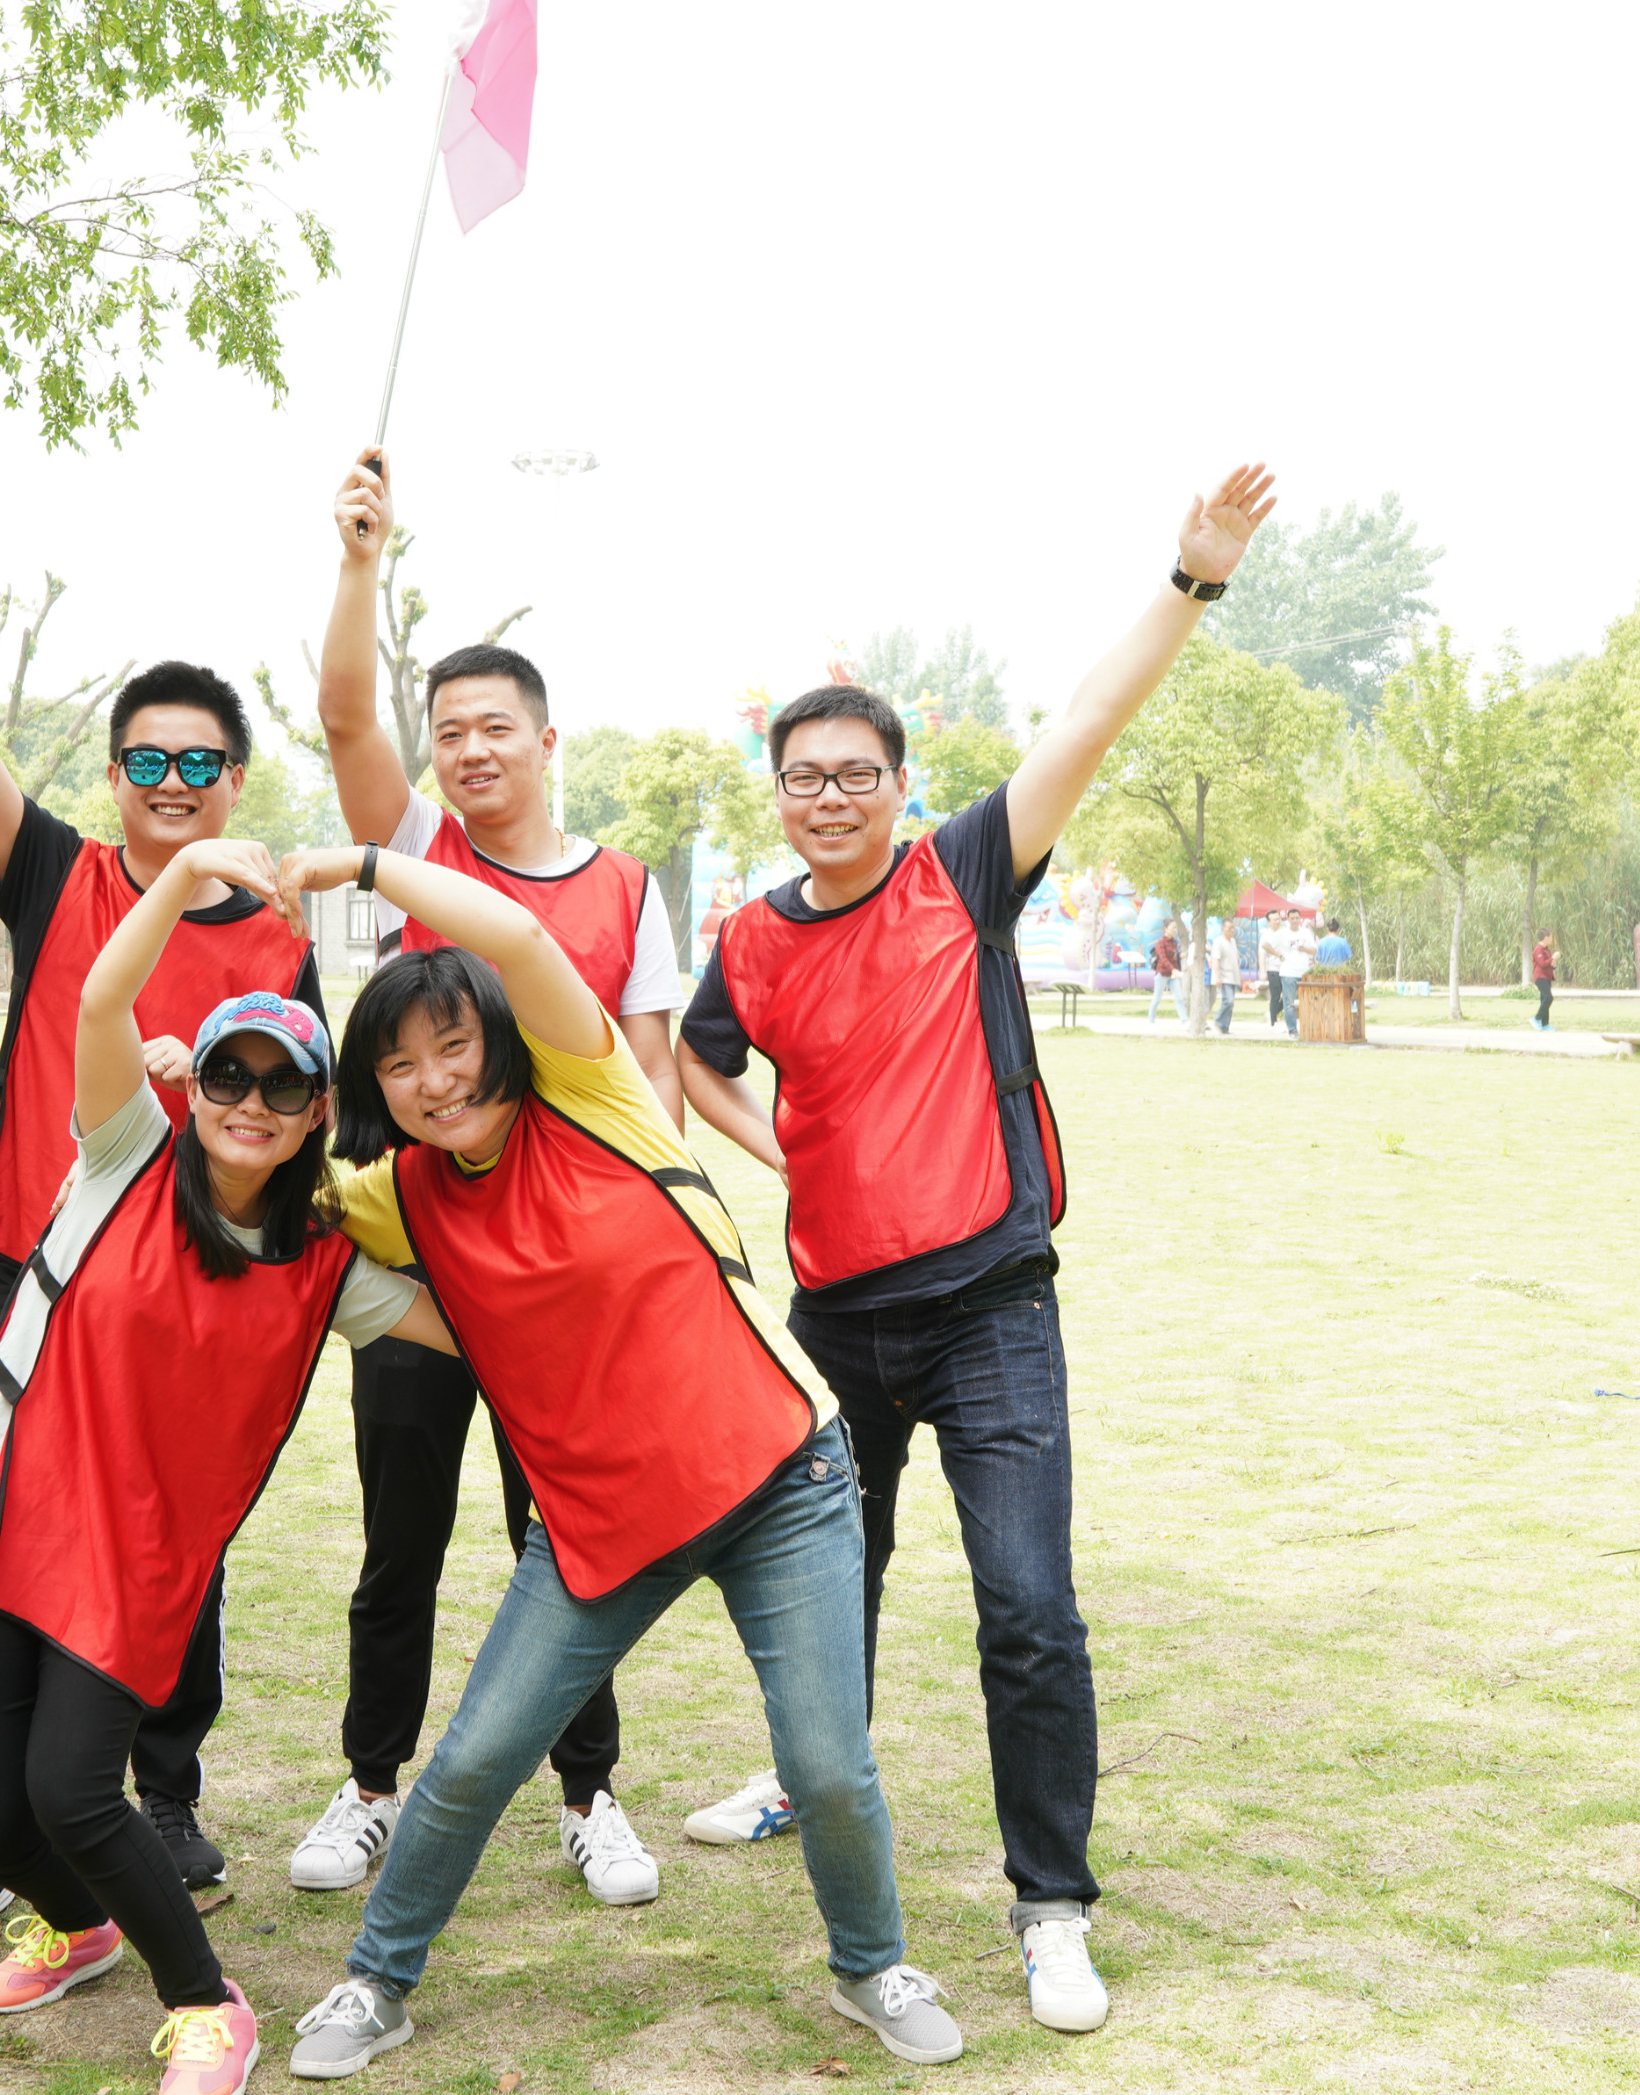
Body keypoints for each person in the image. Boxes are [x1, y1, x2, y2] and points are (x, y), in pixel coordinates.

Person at [671, 468, 1275, 2041]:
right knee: (826, 1590)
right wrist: (779, 1148)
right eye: (802, 776)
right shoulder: (749, 936)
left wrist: (1188, 581)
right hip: (836, 1320)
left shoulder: (959, 873)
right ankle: (805, 1778)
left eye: (854, 773)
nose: (828, 796)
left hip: (989, 1307)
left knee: (1026, 1608)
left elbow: (1085, 719)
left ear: (896, 782)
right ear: (774, 790)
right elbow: (694, 1061)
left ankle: (1048, 1903)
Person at [269, 838, 958, 2077]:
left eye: (452, 1045)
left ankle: (871, 1966)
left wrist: (363, 862)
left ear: (501, 1038)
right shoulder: (397, 1192)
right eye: (398, 1066)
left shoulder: (593, 1095)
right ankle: (376, 1982)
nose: (432, 1081)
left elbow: (520, 939)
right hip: (596, 1527)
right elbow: (254, 1185)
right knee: (475, 1757)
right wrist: (192, 1075)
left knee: (825, 1767)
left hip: (781, 1479)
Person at [0, 535, 321, 1946]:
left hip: (186, 1299)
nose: (170, 782)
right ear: (113, 775)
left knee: (174, 1551)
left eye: (197, 762)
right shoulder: (53, 872)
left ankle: (164, 1791)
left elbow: (306, 1119)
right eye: (145, 760)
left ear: (234, 779)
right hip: (34, 1280)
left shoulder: (279, 937)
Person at [0, 834, 458, 2095]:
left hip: (137, 1544)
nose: (249, 1101)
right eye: (229, 1072)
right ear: (196, 1080)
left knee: (71, 1789)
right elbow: (100, 997)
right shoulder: (123, 1153)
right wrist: (181, 877)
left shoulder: (327, 1263)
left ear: (318, 1111)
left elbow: (478, 1323)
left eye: (283, 1085)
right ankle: (80, 1927)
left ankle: (208, 2003)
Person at [294, 451, 684, 1909]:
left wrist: (648, 1268)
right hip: (419, 1260)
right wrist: (358, 563)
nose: (467, 751)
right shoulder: (417, 849)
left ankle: (589, 1792)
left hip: (565, 1283)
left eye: (491, 728)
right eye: (447, 731)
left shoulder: (624, 889)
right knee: (396, 1540)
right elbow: (344, 713)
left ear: (544, 739)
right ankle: (370, 1784)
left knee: (567, 1534)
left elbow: (652, 1093)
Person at [1279, 911, 1317, 1035]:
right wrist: (1278, 955)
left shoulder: (1305, 933)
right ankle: (1292, 1029)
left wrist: (1304, 949)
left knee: (1307, 1002)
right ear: (1288, 919)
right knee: (1289, 1003)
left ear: (1300, 919)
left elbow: (1314, 950)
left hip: (1304, 972)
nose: (1295, 920)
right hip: (1288, 972)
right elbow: (1266, 944)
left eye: (1297, 918)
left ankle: (1308, 1028)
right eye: (1292, 918)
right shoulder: (1282, 933)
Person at [1143, 919, 1183, 1026]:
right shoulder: (1161, 942)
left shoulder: (1174, 942)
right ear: (1166, 929)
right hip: (1162, 973)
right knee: (1157, 998)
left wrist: (1179, 963)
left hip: (1173, 975)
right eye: (1173, 927)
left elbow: (1175, 957)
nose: (1175, 930)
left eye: (1175, 928)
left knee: (1179, 997)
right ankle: (1151, 1020)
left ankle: (1185, 1020)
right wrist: (1173, 969)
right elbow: (1163, 958)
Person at [1206, 914, 1241, 1034]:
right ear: (1222, 929)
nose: (1232, 930)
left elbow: (1235, 960)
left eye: (1233, 928)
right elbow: (1216, 960)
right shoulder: (1218, 942)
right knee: (1228, 1000)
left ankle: (1225, 1026)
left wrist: (1239, 975)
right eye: (1229, 928)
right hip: (1224, 976)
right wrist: (1218, 976)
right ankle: (1218, 1021)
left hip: (1233, 976)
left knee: (1231, 1003)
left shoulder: (1233, 942)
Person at [1531, 928, 1559, 1028]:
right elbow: (1542, 963)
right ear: (1545, 937)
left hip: (1547, 977)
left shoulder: (1546, 949)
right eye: (1550, 937)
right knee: (1548, 998)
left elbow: (1549, 963)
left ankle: (1545, 1024)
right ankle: (1536, 1018)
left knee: (1544, 999)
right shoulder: (1538, 949)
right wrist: (1553, 958)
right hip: (1540, 977)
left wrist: (1554, 964)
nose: (1552, 939)